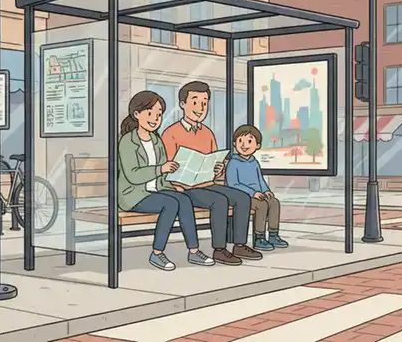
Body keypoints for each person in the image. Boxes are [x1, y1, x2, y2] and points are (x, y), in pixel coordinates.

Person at [161, 81, 262, 265]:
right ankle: (219, 249)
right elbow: (166, 168)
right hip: (185, 188)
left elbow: (214, 161)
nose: (200, 107)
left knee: (242, 198)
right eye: (195, 101)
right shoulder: (171, 133)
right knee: (219, 201)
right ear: (183, 104)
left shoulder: (207, 133)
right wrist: (179, 183)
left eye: (205, 102)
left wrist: (218, 169)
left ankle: (239, 244)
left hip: (208, 183)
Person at [116, 90, 215, 271]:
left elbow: (162, 176)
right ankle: (157, 252)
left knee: (183, 199)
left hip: (156, 190)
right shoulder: (127, 141)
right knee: (170, 204)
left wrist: (173, 185)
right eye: (150, 113)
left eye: (159, 114)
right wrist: (161, 169)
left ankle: (194, 251)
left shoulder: (156, 140)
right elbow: (133, 175)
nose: (155, 118)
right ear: (136, 114)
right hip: (133, 195)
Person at [225, 125, 288, 251]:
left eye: (249, 141)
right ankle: (259, 238)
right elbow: (233, 184)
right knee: (261, 205)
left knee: (274, 202)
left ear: (257, 145)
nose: (244, 145)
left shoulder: (254, 163)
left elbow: (260, 180)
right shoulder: (233, 163)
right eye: (240, 141)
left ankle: (273, 235)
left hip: (257, 194)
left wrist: (266, 191)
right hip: (241, 196)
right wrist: (253, 193)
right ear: (234, 144)